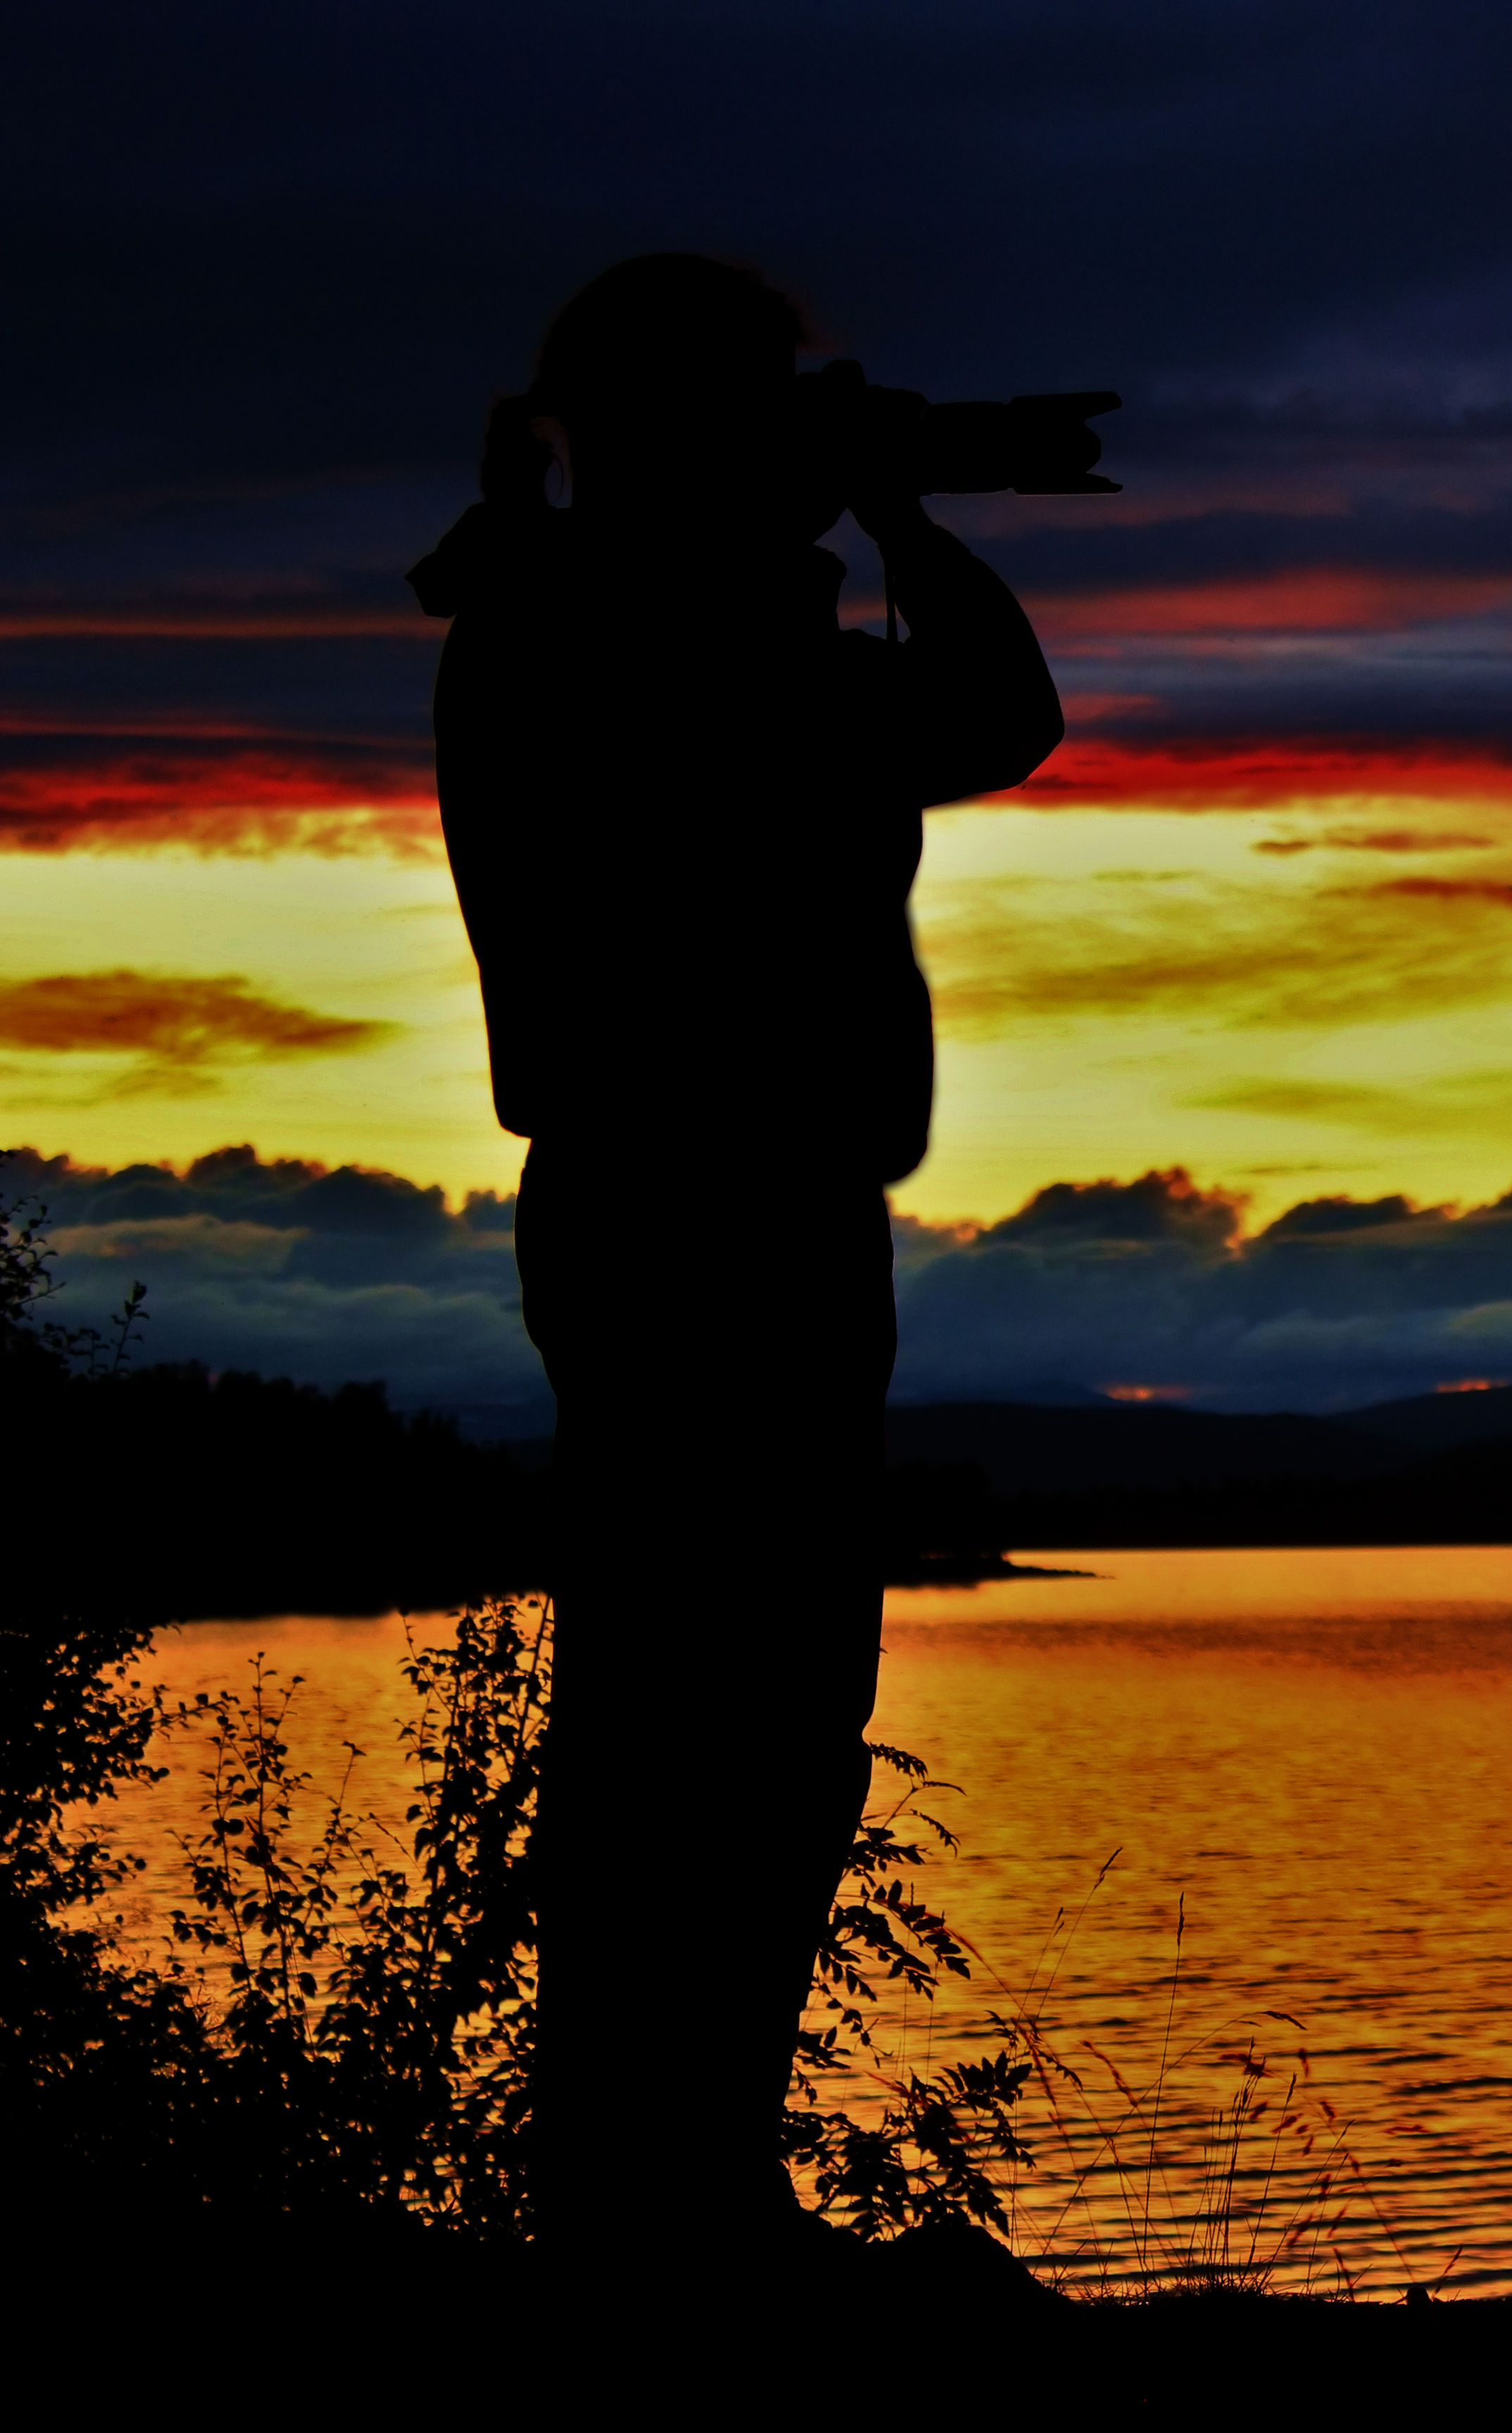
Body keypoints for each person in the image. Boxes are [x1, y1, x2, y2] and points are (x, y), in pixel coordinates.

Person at [412, 253, 1062, 2266]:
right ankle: (654, 2197)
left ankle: (681, 2178)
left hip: (715, 1213)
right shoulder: (623, 638)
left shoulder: (591, 617)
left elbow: (968, 720)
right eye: (768, 413)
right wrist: (892, 513)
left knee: (740, 1719)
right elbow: (989, 715)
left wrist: (865, 510)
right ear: (690, 440)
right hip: (705, 1214)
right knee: (720, 1717)